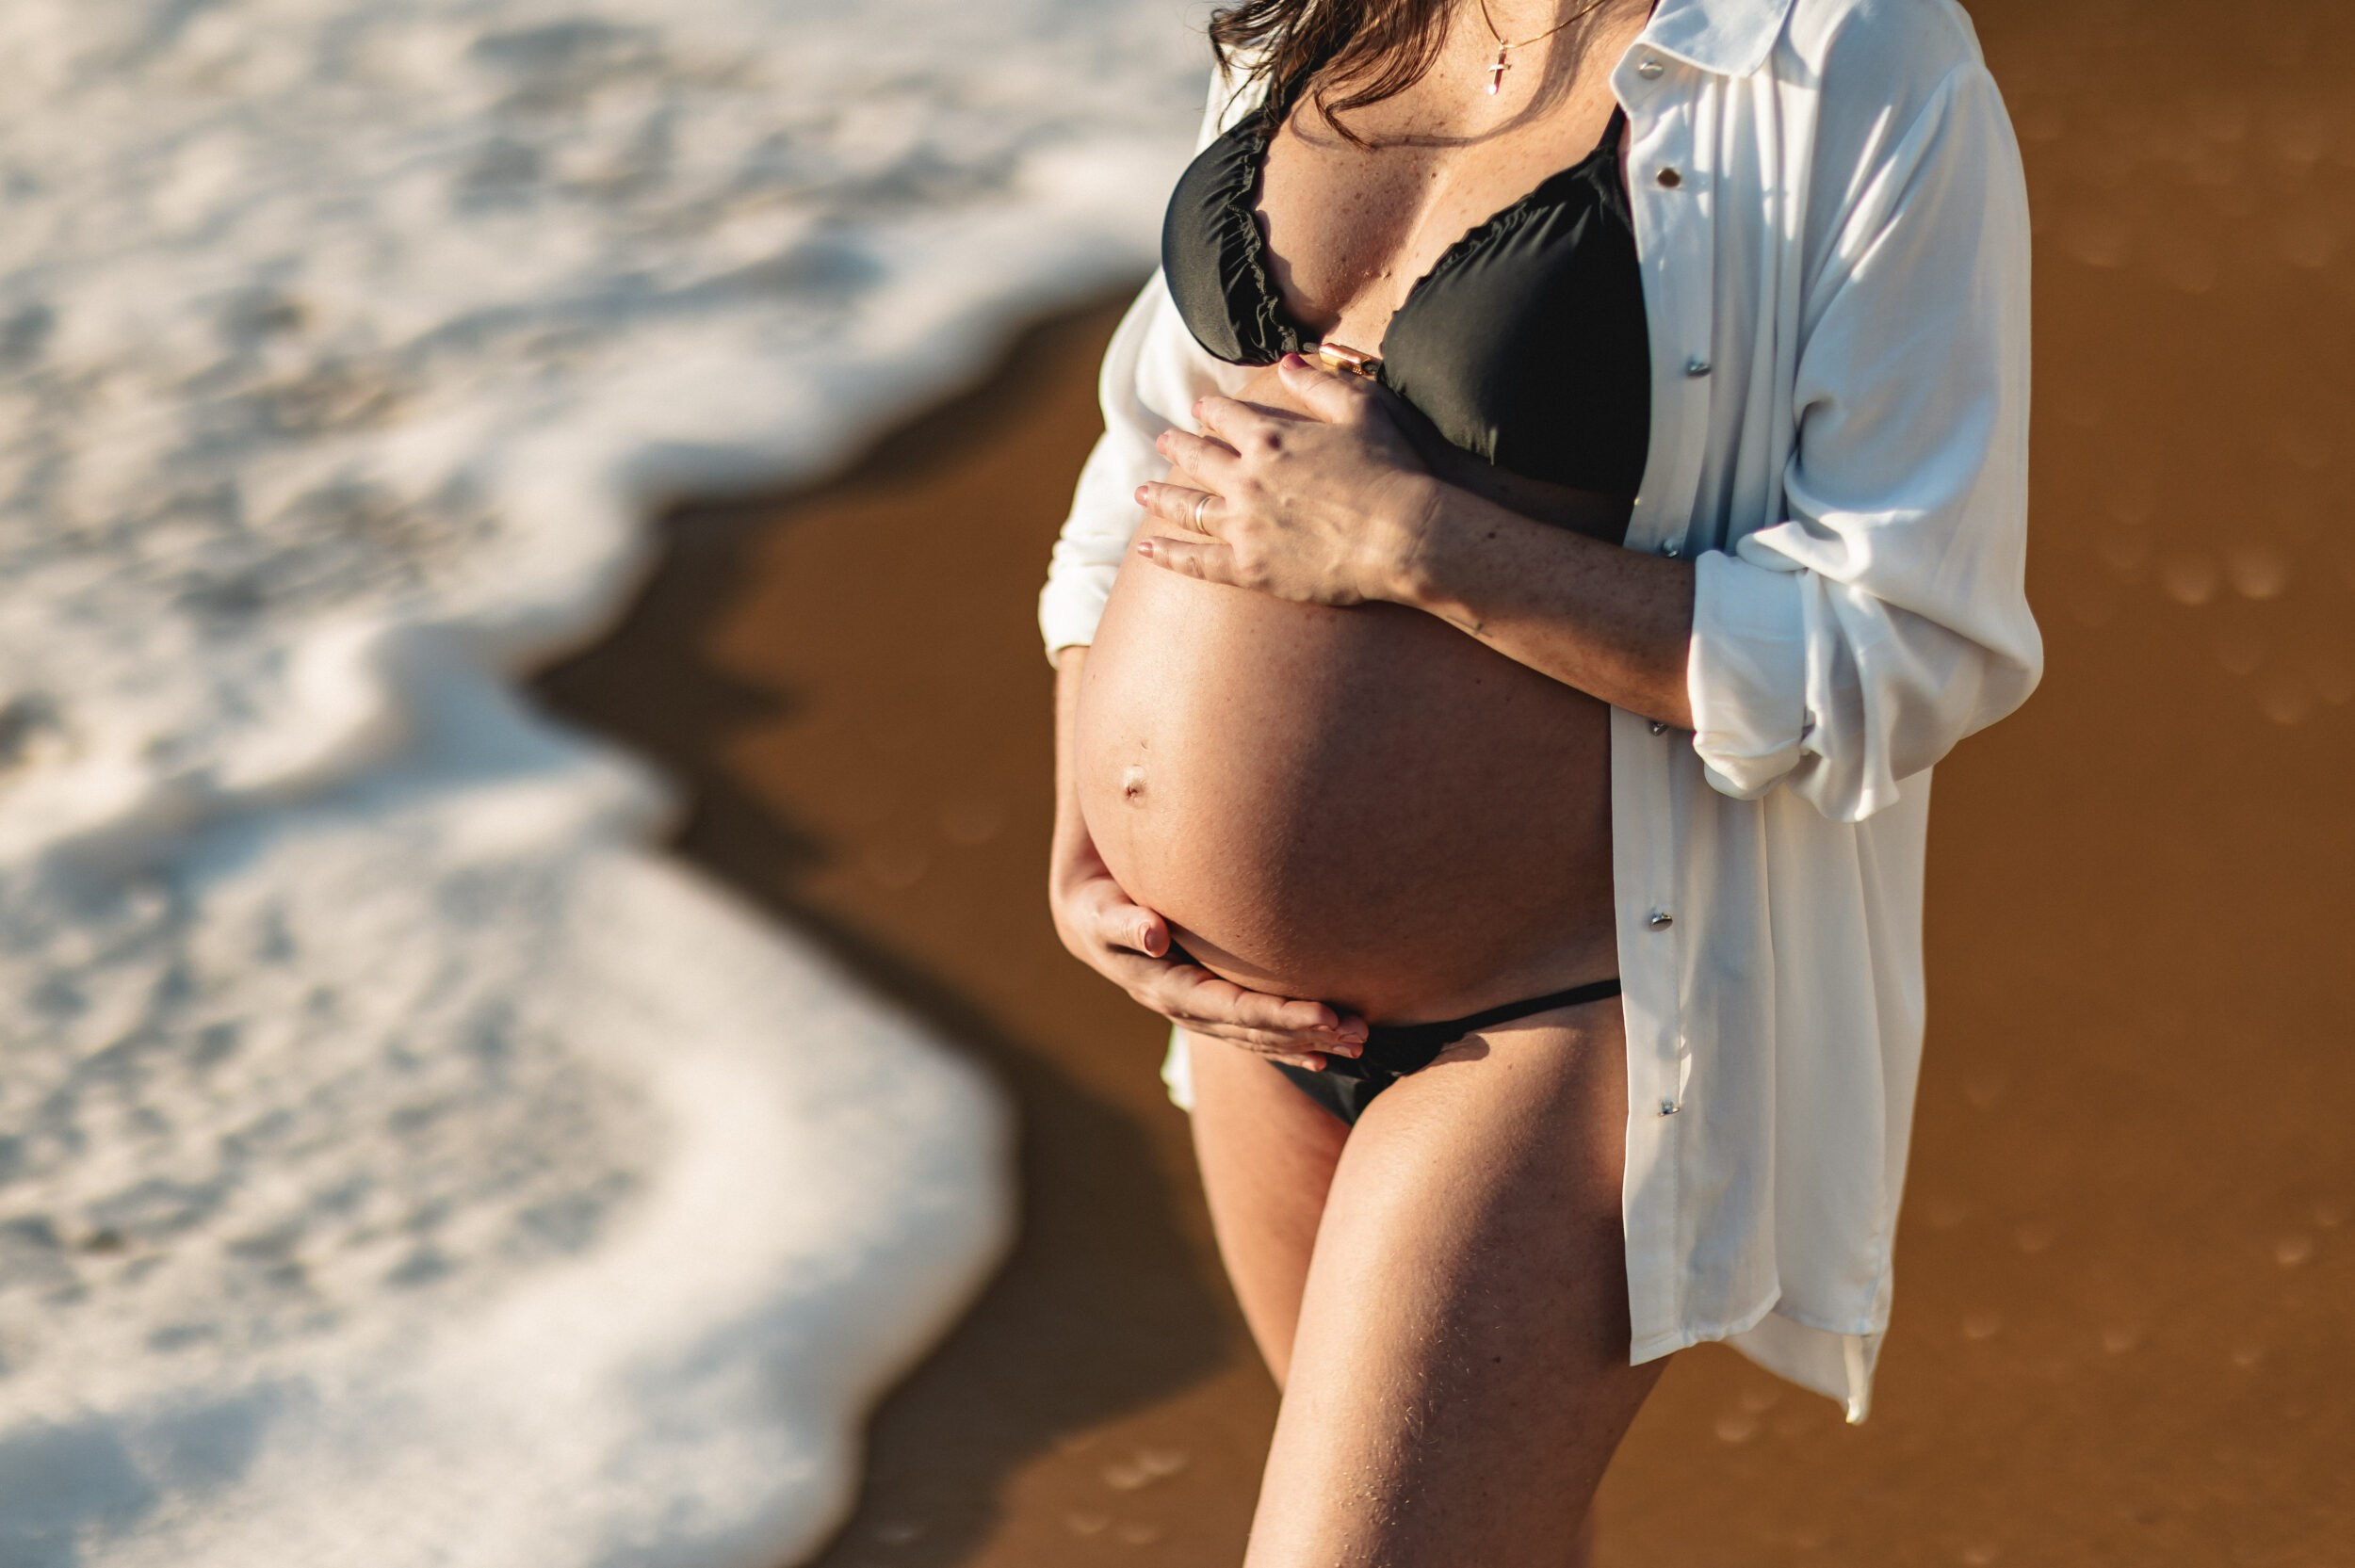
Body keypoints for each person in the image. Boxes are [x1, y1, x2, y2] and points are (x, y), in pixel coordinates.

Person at [1039, 0, 2040, 1558]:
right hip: (1245, 1013)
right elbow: (1153, 451)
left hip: (1570, 1003)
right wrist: (1085, 834)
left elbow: (1905, 642)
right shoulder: (1320, 16)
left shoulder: (1845, 54)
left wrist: (1420, 546)